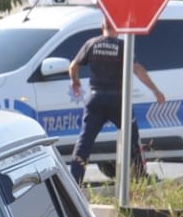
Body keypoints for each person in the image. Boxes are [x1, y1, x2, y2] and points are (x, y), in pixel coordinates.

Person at [66, 15, 164, 183]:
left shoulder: (91, 44)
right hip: (119, 101)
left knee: (85, 141)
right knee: (132, 139)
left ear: (102, 26)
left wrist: (75, 81)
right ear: (117, 29)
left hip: (95, 99)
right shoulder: (122, 47)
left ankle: (75, 180)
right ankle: (140, 178)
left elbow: (73, 66)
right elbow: (137, 70)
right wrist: (155, 91)